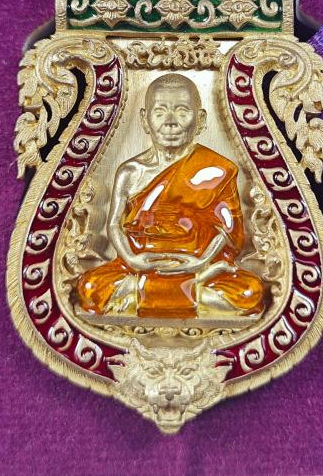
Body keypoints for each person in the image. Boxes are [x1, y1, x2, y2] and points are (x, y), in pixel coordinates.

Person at [76, 74, 268, 319]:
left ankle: (145, 295)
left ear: (200, 120)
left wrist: (202, 262)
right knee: (91, 287)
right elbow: (114, 224)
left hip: (197, 263)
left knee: (250, 291)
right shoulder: (130, 172)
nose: (170, 122)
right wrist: (132, 260)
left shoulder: (217, 169)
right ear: (145, 120)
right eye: (160, 112)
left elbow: (228, 230)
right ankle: (194, 292)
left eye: (182, 111)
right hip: (141, 263)